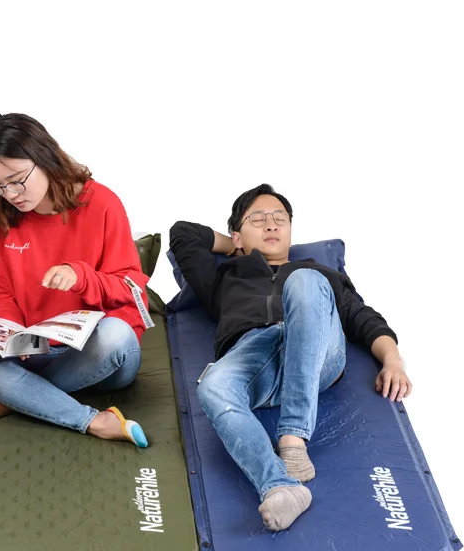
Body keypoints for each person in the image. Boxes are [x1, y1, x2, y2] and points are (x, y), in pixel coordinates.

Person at [169, 184, 412, 531]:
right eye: (258, 219)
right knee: (212, 386)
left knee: (303, 281)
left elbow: (364, 319)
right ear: (237, 234)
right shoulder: (223, 278)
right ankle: (280, 487)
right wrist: (234, 246)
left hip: (317, 355)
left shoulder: (321, 275)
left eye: (279, 218)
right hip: (255, 357)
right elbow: (183, 233)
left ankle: (294, 438)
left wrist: (393, 360)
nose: (271, 225)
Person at [0, 113, 150, 446]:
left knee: (116, 335)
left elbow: (131, 289)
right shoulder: (3, 218)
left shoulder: (101, 203)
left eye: (17, 180)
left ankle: (15, 399)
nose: (10, 194)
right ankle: (93, 421)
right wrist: (13, 336)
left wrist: (81, 277)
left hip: (99, 352)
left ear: (45, 157)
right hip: (35, 352)